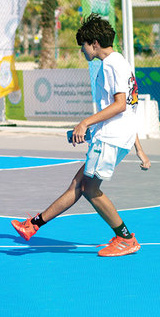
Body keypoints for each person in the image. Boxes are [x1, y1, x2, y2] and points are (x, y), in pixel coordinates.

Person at [11, 14, 143, 257]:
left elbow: (121, 105)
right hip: (113, 137)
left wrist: (85, 123)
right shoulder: (121, 63)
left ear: (95, 43)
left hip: (111, 139)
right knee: (78, 184)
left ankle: (126, 238)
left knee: (89, 189)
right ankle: (33, 225)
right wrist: (137, 147)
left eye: (83, 45)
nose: (82, 50)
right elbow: (129, 110)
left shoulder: (111, 65)